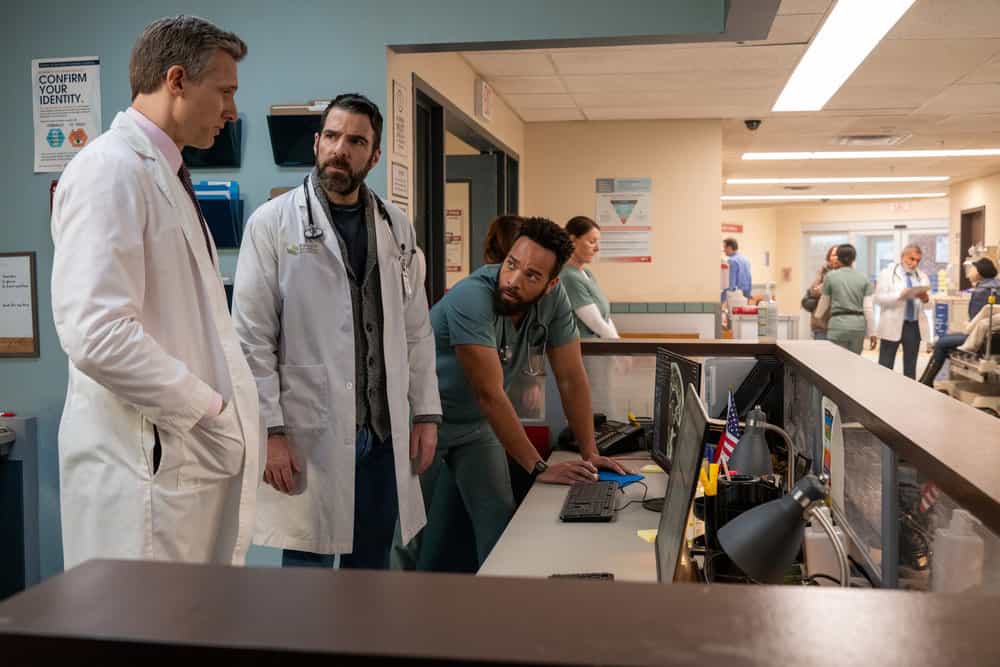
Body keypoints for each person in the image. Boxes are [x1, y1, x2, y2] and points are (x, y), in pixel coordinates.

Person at [50, 16, 261, 568]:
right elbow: (96, 333)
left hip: (173, 464)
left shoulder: (165, 176)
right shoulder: (108, 171)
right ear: (176, 80)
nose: (231, 111)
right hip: (143, 469)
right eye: (225, 91)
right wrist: (206, 408)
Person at [232, 93, 440, 570]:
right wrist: (271, 433)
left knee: (370, 574)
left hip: (383, 435)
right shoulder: (271, 225)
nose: (339, 149)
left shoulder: (396, 225)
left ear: (374, 155)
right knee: (307, 581)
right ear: (315, 142)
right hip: (313, 432)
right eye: (331, 136)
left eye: (355, 141)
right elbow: (250, 339)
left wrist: (426, 413)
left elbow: (416, 330)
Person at [408, 217, 627, 568]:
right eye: (512, 264)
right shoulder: (471, 297)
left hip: (477, 427)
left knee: (499, 523)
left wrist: (590, 452)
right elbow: (489, 393)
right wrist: (539, 467)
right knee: (406, 535)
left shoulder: (555, 302)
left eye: (532, 275)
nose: (512, 280)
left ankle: (501, 615)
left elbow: (571, 376)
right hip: (420, 421)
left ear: (552, 283)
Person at [919, 257, 1000, 385]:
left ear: (980, 271)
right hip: (994, 338)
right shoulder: (995, 287)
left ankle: (926, 381)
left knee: (941, 343)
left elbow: (975, 321)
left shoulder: (982, 291)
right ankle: (927, 381)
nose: (969, 271)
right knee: (945, 342)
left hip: (979, 339)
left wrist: (966, 326)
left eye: (972, 268)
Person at [874, 244, 934, 379]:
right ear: (902, 257)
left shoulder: (922, 276)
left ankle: (908, 396)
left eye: (918, 260)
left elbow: (930, 306)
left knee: (910, 368)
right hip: (891, 324)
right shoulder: (887, 274)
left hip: (913, 326)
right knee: (885, 365)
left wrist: (926, 299)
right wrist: (899, 296)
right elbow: (878, 299)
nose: (914, 263)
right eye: (911, 259)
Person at [560, 216, 619, 339]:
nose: (597, 248)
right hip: (583, 350)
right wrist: (621, 351)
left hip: (600, 349)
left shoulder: (586, 273)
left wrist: (618, 345)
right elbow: (596, 324)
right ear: (572, 240)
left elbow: (605, 318)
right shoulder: (569, 277)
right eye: (592, 242)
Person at [814, 244, 875, 355]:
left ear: (838, 257)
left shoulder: (831, 276)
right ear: (854, 258)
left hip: (837, 326)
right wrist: (872, 333)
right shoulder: (864, 279)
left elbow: (824, 302)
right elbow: (868, 309)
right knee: (854, 362)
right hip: (858, 327)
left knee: (837, 362)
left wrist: (817, 317)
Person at [802, 245, 840, 340]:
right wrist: (825, 288)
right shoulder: (822, 271)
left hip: (839, 324)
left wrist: (823, 288)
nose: (836, 257)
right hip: (821, 323)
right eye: (833, 255)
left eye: (838, 255)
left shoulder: (845, 274)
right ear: (828, 257)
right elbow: (813, 291)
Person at [722, 237, 752, 302]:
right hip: (746, 296)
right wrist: (748, 296)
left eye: (724, 247)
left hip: (736, 297)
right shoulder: (746, 260)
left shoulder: (732, 261)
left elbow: (731, 284)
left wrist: (722, 299)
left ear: (729, 248)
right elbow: (749, 279)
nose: (723, 250)